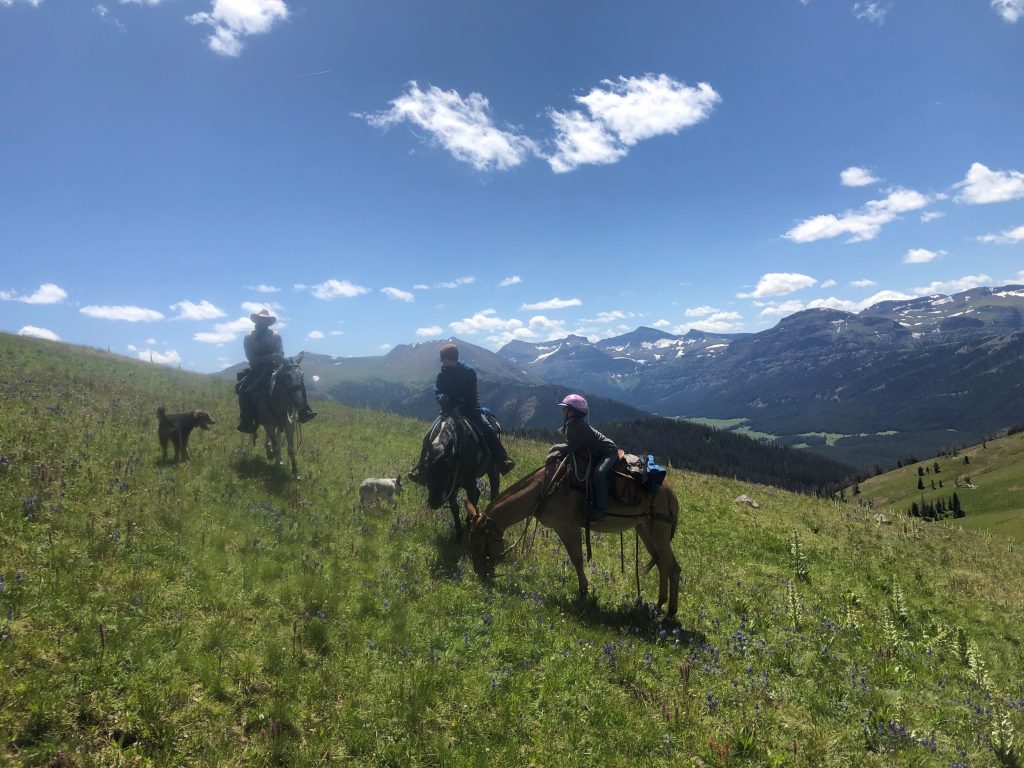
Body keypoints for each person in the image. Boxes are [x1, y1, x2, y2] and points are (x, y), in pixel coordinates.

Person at [434, 342, 515, 475]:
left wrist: (472, 411)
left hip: (469, 410)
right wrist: (442, 397)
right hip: (448, 411)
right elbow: (438, 392)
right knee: (430, 434)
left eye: (442, 359)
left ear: (447, 359)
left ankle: (501, 459)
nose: (441, 361)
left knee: (488, 430)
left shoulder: (468, 372)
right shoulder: (442, 374)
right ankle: (422, 467)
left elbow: (473, 394)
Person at [236, 309, 316, 433]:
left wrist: (277, 357)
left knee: (297, 381)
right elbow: (251, 357)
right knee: (243, 388)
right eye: (261, 320)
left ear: (268, 322)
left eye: (266, 320)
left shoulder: (275, 336)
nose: (264, 322)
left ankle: (303, 411)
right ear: (257, 321)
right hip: (257, 369)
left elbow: (281, 351)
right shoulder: (249, 338)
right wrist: (267, 358)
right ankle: (247, 420)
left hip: (275, 367)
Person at [558, 394, 617, 521]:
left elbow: (570, 447)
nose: (562, 410)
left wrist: (553, 449)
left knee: (599, 473)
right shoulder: (574, 424)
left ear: (572, 412)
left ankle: (600, 508)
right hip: (598, 452)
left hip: (609, 452)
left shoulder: (580, 427)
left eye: (565, 408)